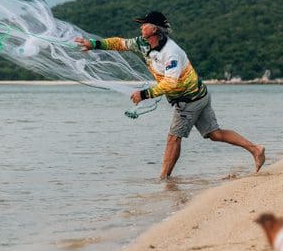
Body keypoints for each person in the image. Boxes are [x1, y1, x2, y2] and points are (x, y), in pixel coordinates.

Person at [74, 11, 265, 179]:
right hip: (200, 94)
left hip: (188, 99)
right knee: (215, 134)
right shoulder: (142, 43)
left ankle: (164, 180)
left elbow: (170, 83)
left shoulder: (171, 52)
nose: (141, 27)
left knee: (173, 138)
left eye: (145, 24)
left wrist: (144, 94)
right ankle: (255, 149)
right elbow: (120, 43)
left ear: (155, 29)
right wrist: (93, 44)